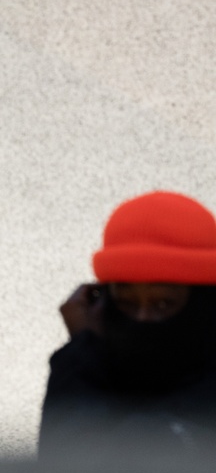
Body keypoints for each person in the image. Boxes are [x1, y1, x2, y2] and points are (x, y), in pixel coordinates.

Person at [39, 191, 216, 454]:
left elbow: (95, 461)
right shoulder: (100, 369)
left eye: (163, 304)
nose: (143, 319)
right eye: (127, 303)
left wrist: (79, 354)